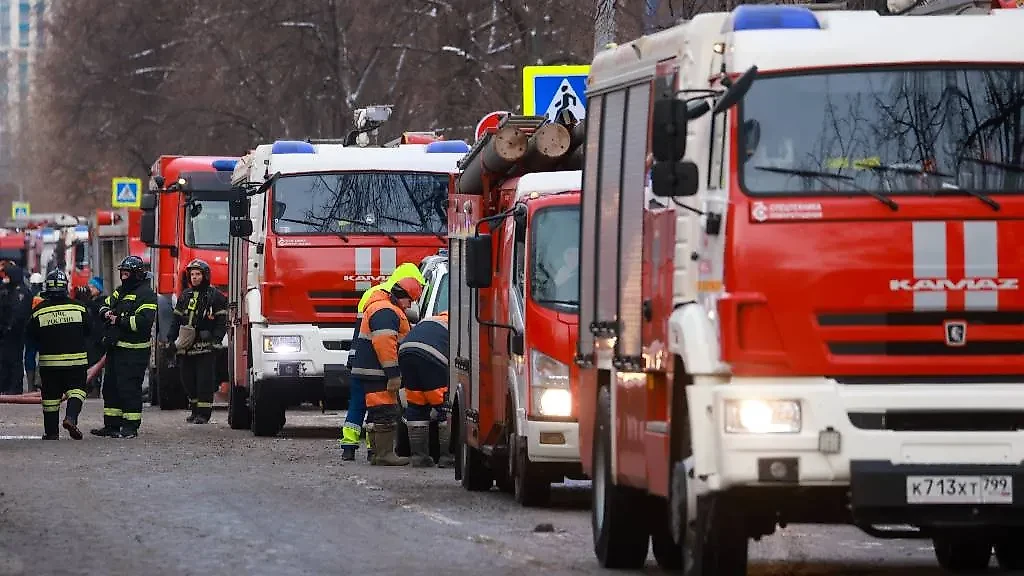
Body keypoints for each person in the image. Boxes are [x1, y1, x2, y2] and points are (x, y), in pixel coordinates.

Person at [339, 262, 426, 461]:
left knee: (367, 408)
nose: (410, 306)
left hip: (363, 365)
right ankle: (379, 452)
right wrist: (393, 373)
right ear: (401, 292)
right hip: (376, 370)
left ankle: (363, 449)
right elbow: (384, 343)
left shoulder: (375, 297)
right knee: (382, 410)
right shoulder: (386, 309)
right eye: (409, 301)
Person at [90, 256, 157, 439]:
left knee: (129, 389)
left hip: (134, 352)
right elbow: (105, 304)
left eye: (126, 273)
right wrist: (106, 313)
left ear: (136, 274)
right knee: (110, 388)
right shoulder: (120, 291)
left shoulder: (146, 294)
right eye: (122, 273)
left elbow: (143, 321)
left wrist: (120, 320)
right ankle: (111, 425)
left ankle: (130, 427)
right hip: (116, 349)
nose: (123, 277)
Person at [25, 270, 91, 440]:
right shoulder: (79, 307)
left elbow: (30, 338)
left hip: (50, 365)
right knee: (77, 391)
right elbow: (89, 331)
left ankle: (51, 432)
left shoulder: (38, 311)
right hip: (77, 363)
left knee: (50, 399)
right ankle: (71, 418)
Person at [167, 259, 228, 424]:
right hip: (186, 346)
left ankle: (204, 413)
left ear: (205, 276)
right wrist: (170, 340)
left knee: (204, 381)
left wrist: (215, 339)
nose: (194, 278)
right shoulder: (185, 296)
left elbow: (222, 321)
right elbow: (176, 320)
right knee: (188, 380)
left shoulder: (215, 296)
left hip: (205, 347)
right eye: (192, 274)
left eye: (198, 274)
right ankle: (194, 410)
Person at [398, 310, 453, 468]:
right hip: (432, 356)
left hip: (406, 352)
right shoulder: (459, 324)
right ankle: (447, 457)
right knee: (445, 407)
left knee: (416, 405)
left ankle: (419, 457)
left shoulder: (430, 320)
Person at [0, 263, 31, 395]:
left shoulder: (21, 292)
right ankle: (5, 386)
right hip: (4, 333)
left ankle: (14, 387)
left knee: (14, 361)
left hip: (14, 334)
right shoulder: (6, 289)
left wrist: (8, 328)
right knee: (4, 360)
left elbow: (19, 314)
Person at [74, 277, 107, 397]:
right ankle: (88, 386)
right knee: (87, 362)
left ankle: (95, 388)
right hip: (89, 337)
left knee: (95, 363)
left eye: (92, 287)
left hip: (98, 339)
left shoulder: (103, 301)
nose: (90, 289)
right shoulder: (91, 300)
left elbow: (97, 309)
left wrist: (86, 301)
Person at [23, 272, 44, 392]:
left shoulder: (28, 294)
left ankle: (31, 386)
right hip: (41, 330)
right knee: (44, 355)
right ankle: (39, 380)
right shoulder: (44, 295)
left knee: (30, 356)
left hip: (30, 330)